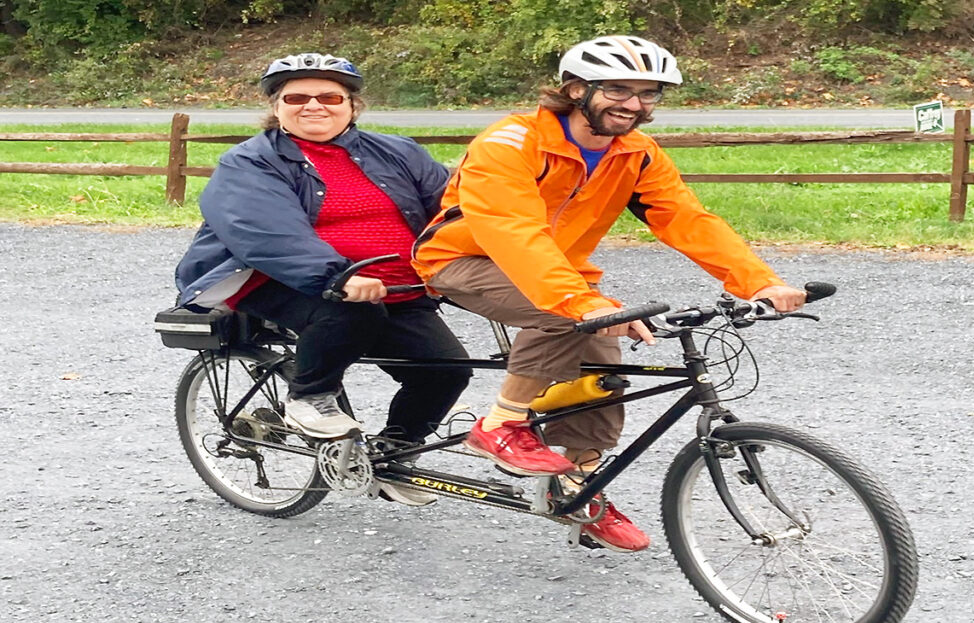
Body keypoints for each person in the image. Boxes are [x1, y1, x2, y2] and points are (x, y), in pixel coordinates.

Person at [412, 35, 806, 549]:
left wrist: (760, 281)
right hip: (464, 260)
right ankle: (501, 423)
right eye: (618, 89)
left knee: (602, 365)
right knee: (570, 316)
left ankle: (578, 487)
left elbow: (686, 219)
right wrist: (582, 302)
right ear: (576, 89)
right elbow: (512, 231)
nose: (634, 105)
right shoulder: (510, 143)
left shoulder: (637, 154)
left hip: (561, 271)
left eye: (648, 94)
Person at [174, 52, 471, 506]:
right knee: (349, 314)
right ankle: (309, 396)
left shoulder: (399, 151)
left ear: (352, 105)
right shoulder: (249, 162)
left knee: (445, 371)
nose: (314, 105)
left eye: (330, 96)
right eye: (296, 96)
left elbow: (452, 210)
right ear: (276, 107)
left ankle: (393, 457)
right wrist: (336, 277)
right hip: (275, 277)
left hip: (392, 285)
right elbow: (266, 231)